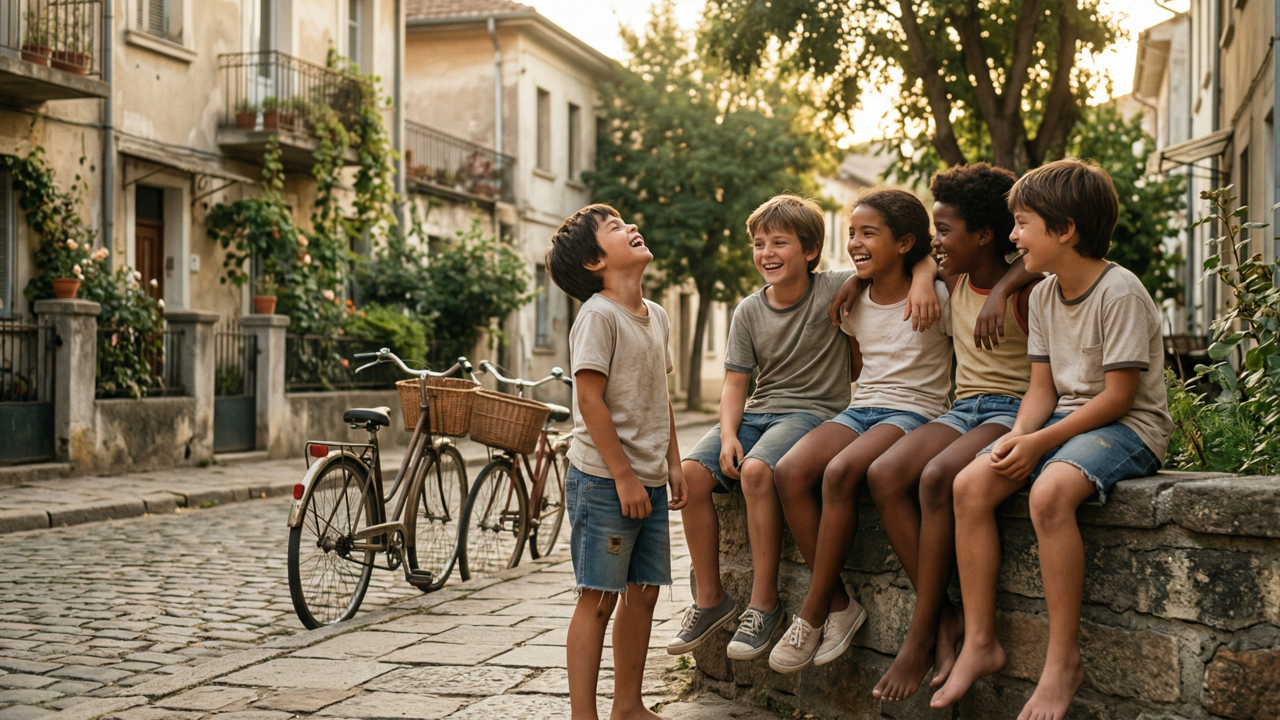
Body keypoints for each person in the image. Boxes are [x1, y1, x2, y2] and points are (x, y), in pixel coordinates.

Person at [929, 159, 1173, 720]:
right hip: (1065, 419)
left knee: (1048, 494)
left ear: (1064, 229)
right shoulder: (1041, 296)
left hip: (1129, 427)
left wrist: (1041, 444)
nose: (1013, 236)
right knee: (971, 485)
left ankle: (1063, 662)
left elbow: (1117, 398)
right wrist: (1017, 437)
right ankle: (981, 642)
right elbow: (1041, 389)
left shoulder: (1120, 292)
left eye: (1022, 223)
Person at [667, 195, 938, 662]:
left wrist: (924, 274)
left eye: (779, 242)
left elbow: (910, 257)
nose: (766, 253)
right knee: (692, 475)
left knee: (756, 473)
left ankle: (764, 603)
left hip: (813, 413)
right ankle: (711, 599)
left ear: (811, 250)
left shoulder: (837, 286)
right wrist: (728, 433)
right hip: (758, 411)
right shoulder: (748, 311)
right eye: (758, 244)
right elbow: (736, 385)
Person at [862, 163, 1040, 702]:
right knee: (885, 473)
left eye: (946, 231)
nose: (937, 242)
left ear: (985, 234)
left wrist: (1006, 283)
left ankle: (920, 638)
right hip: (962, 408)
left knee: (937, 476)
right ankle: (941, 616)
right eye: (935, 230)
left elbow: (1038, 268)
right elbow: (913, 258)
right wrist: (906, 274)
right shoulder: (953, 278)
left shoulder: (1026, 291)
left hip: (1011, 411)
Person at [769, 189, 953, 673]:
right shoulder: (853, 300)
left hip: (915, 412)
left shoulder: (935, 295)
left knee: (842, 471)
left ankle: (811, 611)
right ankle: (839, 605)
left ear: (905, 242)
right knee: (789, 471)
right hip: (863, 408)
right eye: (852, 233)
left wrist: (924, 272)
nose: (854, 242)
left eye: (868, 233)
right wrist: (856, 280)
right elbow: (858, 367)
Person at [545, 204, 688, 720]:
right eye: (614, 228)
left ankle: (627, 706)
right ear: (593, 262)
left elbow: (660, 393)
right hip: (606, 479)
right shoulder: (598, 316)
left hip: (646, 478)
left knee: (645, 591)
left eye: (627, 221)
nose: (631, 226)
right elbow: (589, 402)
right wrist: (625, 476)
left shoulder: (658, 316)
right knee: (600, 597)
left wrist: (672, 462)